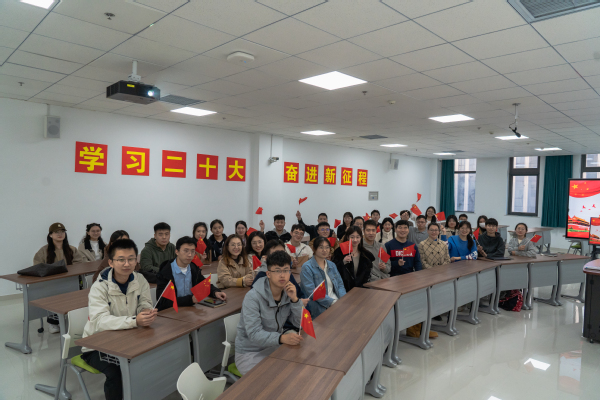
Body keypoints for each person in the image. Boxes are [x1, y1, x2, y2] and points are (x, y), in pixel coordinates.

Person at [81, 239, 157, 400]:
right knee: (117, 370)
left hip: (128, 337)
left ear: (136, 260)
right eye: (121, 259)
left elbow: (145, 302)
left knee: (153, 357)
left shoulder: (140, 279)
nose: (126, 264)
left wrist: (145, 312)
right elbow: (100, 321)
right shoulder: (99, 287)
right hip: (96, 345)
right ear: (111, 262)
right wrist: (135, 321)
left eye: (131, 259)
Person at [235, 251, 303, 375]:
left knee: (297, 369)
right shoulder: (253, 297)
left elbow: (299, 324)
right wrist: (281, 338)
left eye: (286, 270)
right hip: (250, 353)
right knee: (272, 379)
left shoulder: (288, 293)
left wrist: (295, 300)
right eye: (277, 271)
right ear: (268, 274)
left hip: (274, 346)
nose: (282, 275)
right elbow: (254, 334)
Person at [34, 222, 85, 333]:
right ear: (50, 235)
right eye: (56, 232)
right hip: (51, 284)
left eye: (62, 232)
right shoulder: (44, 250)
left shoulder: (71, 249)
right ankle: (52, 322)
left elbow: (79, 264)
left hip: (70, 281)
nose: (60, 234)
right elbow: (38, 266)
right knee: (54, 298)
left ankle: (71, 320)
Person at [156, 236, 226, 311]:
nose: (190, 255)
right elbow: (163, 301)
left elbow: (203, 284)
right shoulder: (166, 271)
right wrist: (190, 300)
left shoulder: (193, 268)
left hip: (190, 310)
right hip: (170, 312)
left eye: (192, 251)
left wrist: (215, 292)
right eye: (186, 251)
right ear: (177, 251)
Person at [300, 237, 346, 319]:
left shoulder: (332, 265)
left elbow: (340, 285)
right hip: (320, 306)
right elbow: (312, 292)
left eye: (327, 247)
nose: (324, 250)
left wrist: (343, 300)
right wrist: (333, 302)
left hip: (336, 302)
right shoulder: (307, 267)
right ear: (314, 249)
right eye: (321, 247)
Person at [251, 239, 306, 304]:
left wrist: (301, 303)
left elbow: (299, 294)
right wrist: (296, 303)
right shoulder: (261, 276)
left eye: (282, 253)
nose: (280, 257)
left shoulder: (287, 272)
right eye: (275, 254)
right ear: (266, 258)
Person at [333, 226, 375, 292]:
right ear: (347, 237)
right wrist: (343, 262)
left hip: (361, 290)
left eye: (357, 237)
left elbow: (367, 275)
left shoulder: (366, 254)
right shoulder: (339, 252)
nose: (355, 240)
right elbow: (333, 270)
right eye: (352, 237)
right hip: (344, 289)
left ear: (361, 237)